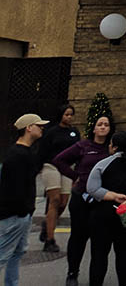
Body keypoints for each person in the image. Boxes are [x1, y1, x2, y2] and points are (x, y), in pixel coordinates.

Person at [86, 130, 126, 286]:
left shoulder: (103, 164)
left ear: (113, 147)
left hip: (103, 214)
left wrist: (113, 196)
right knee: (125, 250)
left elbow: (92, 188)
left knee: (99, 253)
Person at [54, 112, 112, 283]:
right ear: (93, 128)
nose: (102, 127)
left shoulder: (111, 148)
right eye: (100, 124)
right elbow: (59, 160)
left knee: (100, 242)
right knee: (78, 238)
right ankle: (72, 273)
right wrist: (74, 176)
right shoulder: (83, 146)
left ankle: (96, 278)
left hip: (102, 200)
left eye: (106, 124)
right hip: (81, 197)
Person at [0, 112, 47, 284]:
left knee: (16, 253)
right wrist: (22, 212)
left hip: (22, 213)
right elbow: (14, 188)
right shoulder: (18, 155)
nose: (42, 128)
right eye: (39, 125)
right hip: (14, 215)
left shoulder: (25, 152)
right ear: (28, 128)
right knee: (3, 255)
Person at [35, 103, 79, 253]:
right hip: (51, 165)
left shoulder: (74, 132)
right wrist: (38, 168)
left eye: (71, 114)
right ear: (60, 115)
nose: (69, 117)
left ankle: (46, 224)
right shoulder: (51, 131)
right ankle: (50, 239)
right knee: (54, 200)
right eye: (66, 114)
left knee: (63, 202)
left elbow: (78, 151)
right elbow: (42, 149)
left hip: (67, 167)